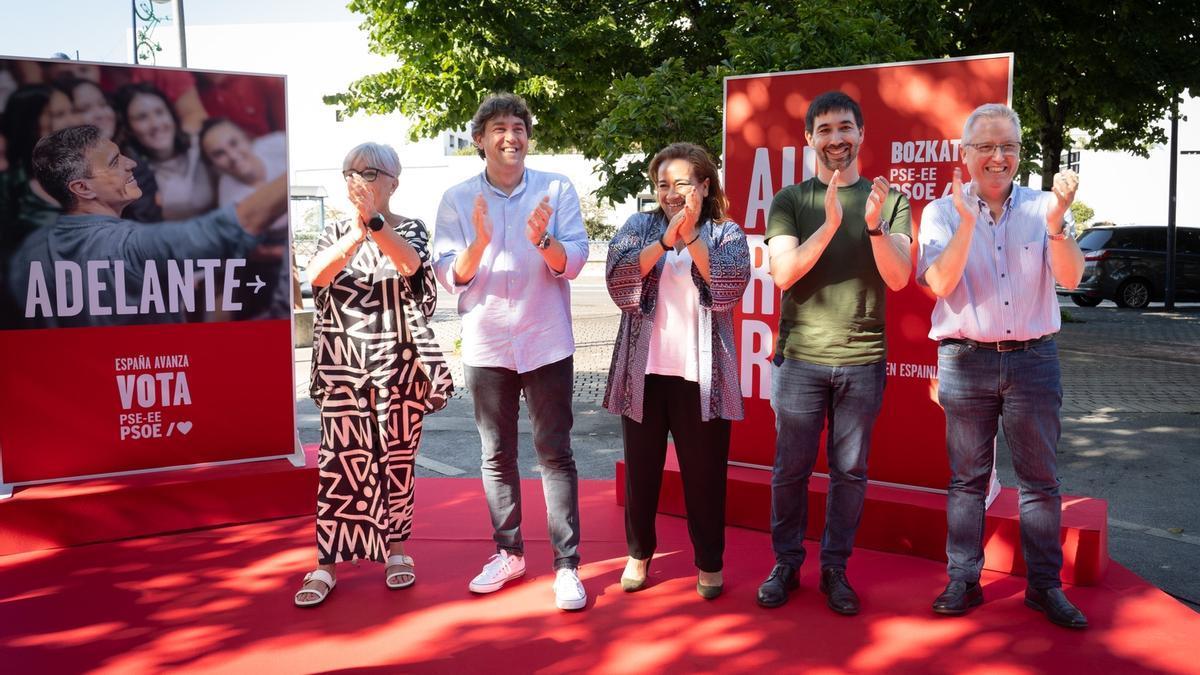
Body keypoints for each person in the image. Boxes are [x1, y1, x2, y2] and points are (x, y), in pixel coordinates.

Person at [918, 103, 1088, 629]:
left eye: (1008, 146)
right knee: (966, 479)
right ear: (965, 154)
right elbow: (939, 284)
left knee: (1040, 481)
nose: (998, 157)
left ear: (1020, 152)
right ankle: (963, 580)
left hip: (1034, 360)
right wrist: (968, 223)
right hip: (965, 360)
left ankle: (1044, 587)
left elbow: (1074, 279)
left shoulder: (1043, 208)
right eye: (986, 147)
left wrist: (1058, 225)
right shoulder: (941, 212)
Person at [431, 92, 589, 611]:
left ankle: (567, 566)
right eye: (498, 128)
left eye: (519, 127)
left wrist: (544, 242)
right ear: (479, 140)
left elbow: (576, 261)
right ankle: (510, 553)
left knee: (555, 451)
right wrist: (479, 242)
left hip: (546, 339)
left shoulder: (556, 188)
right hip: (487, 341)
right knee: (495, 455)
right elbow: (450, 277)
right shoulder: (457, 198)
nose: (511, 136)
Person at [758, 91, 913, 614]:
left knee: (850, 472)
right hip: (799, 359)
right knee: (790, 470)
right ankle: (785, 563)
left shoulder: (889, 200)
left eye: (844, 128)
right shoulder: (790, 201)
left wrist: (871, 226)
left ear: (861, 134)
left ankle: (834, 568)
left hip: (863, 359)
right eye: (824, 130)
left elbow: (898, 277)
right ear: (809, 139)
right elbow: (783, 273)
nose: (835, 139)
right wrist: (826, 225)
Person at [294, 142, 453, 608]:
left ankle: (396, 550)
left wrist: (376, 226)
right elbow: (317, 276)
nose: (356, 179)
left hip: (398, 367)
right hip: (344, 366)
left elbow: (410, 266)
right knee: (339, 466)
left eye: (367, 171)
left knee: (397, 462)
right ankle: (326, 561)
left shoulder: (411, 230)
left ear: (393, 182)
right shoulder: (333, 232)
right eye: (349, 171)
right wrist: (354, 234)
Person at [604, 142, 750, 599]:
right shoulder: (638, 226)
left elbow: (728, 285)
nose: (671, 193)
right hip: (643, 373)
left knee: (704, 476)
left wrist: (690, 238)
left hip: (702, 377)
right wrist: (666, 241)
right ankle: (639, 553)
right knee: (642, 473)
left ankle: (709, 562)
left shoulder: (727, 233)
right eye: (663, 184)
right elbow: (619, 277)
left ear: (705, 186)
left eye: (683, 183)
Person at [5, 124, 286, 329]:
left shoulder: (25, 255)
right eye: (115, 162)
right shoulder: (129, 245)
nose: (131, 164)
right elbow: (234, 226)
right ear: (82, 188)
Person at [199, 117, 289, 319]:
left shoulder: (279, 144)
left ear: (247, 138)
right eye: (219, 153)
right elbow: (254, 251)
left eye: (233, 143)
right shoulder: (229, 199)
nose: (232, 155)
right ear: (213, 164)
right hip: (277, 253)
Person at [114, 82, 215, 221]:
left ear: (172, 115)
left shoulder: (201, 146)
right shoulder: (133, 174)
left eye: (160, 112)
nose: (155, 124)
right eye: (142, 117)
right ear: (129, 129)